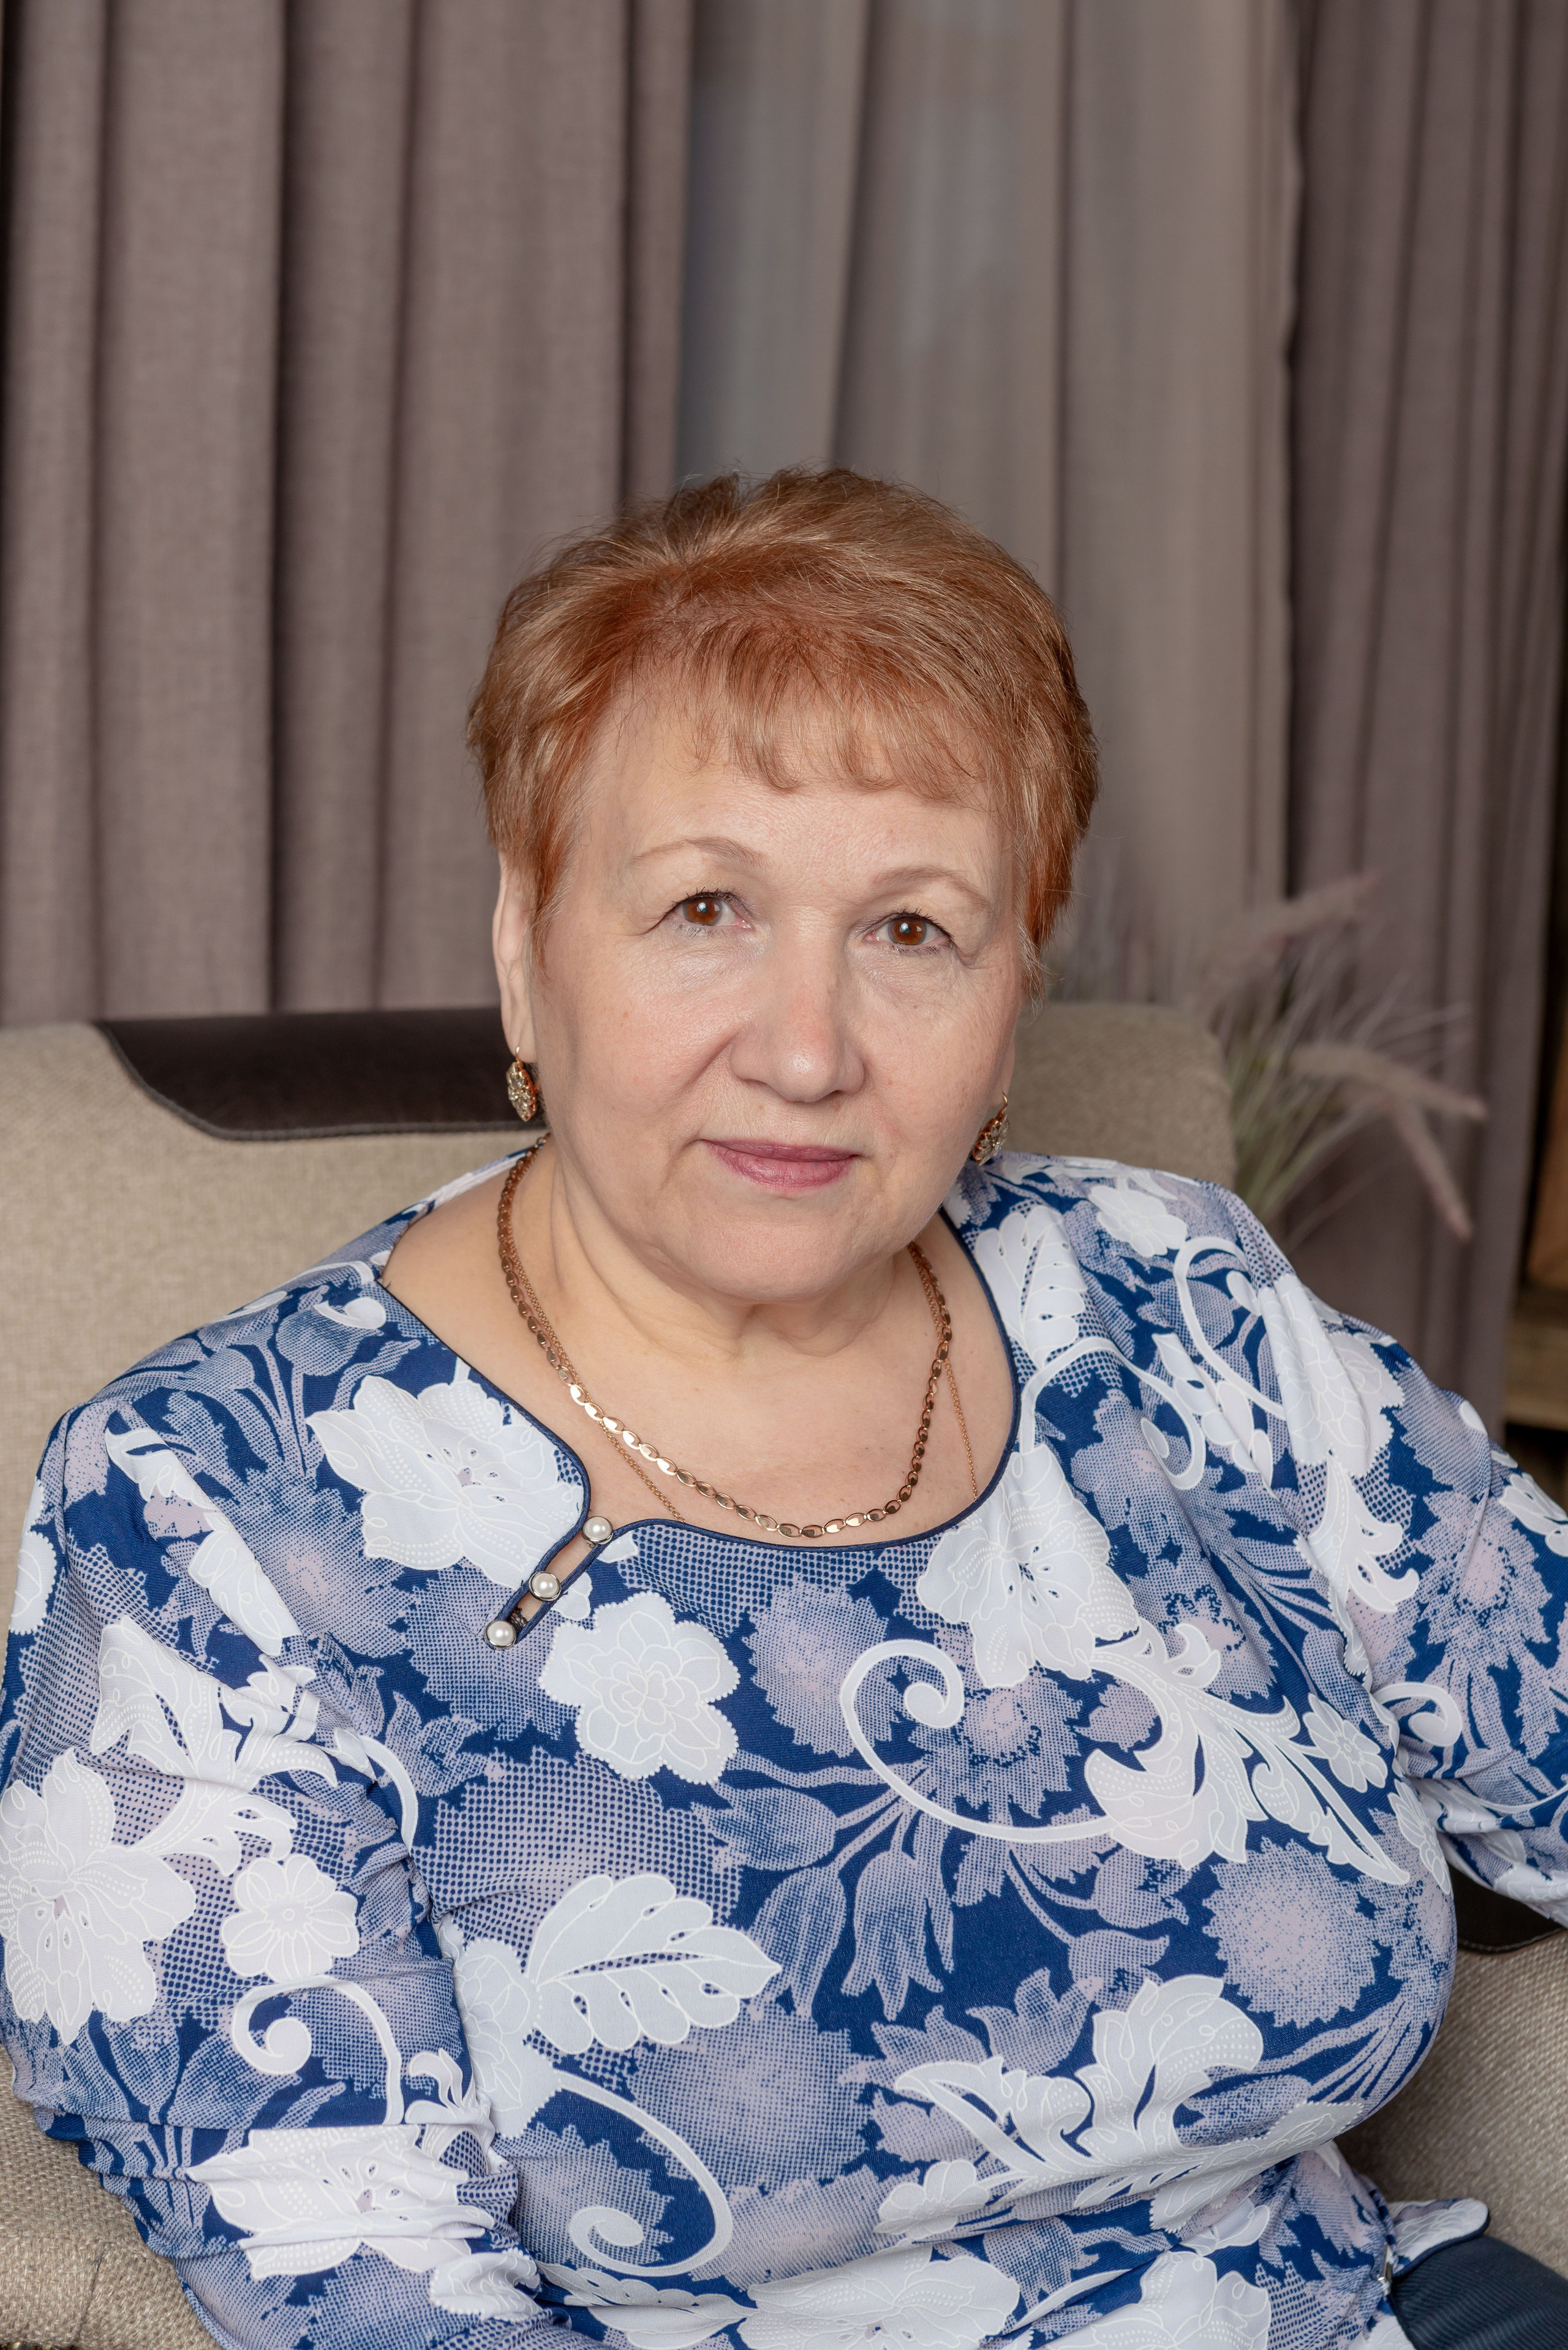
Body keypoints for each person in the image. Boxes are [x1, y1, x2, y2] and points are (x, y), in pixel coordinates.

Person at [1, 469, 1565, 2350]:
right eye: (706, 907)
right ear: (528, 943)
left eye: (912, 932)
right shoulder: (205, 1508)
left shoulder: (1175, 1302)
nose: (809, 1050)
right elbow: (363, 2286)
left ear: (1016, 990)